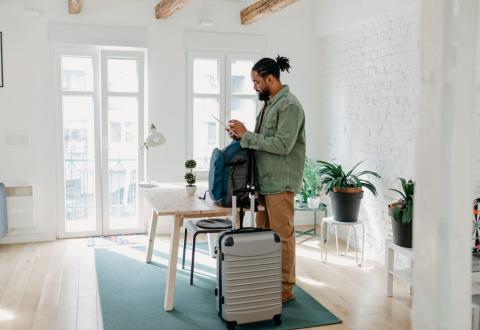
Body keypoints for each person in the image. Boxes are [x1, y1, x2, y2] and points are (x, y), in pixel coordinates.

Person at [227, 55, 306, 303]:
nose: (254, 86)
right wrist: (240, 137)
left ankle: (285, 289)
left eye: (256, 81)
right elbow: (261, 143)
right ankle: (267, 279)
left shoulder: (290, 106)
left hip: (280, 182)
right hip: (265, 181)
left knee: (282, 236)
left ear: (270, 78)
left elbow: (283, 145)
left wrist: (248, 135)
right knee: (264, 233)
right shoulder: (270, 103)